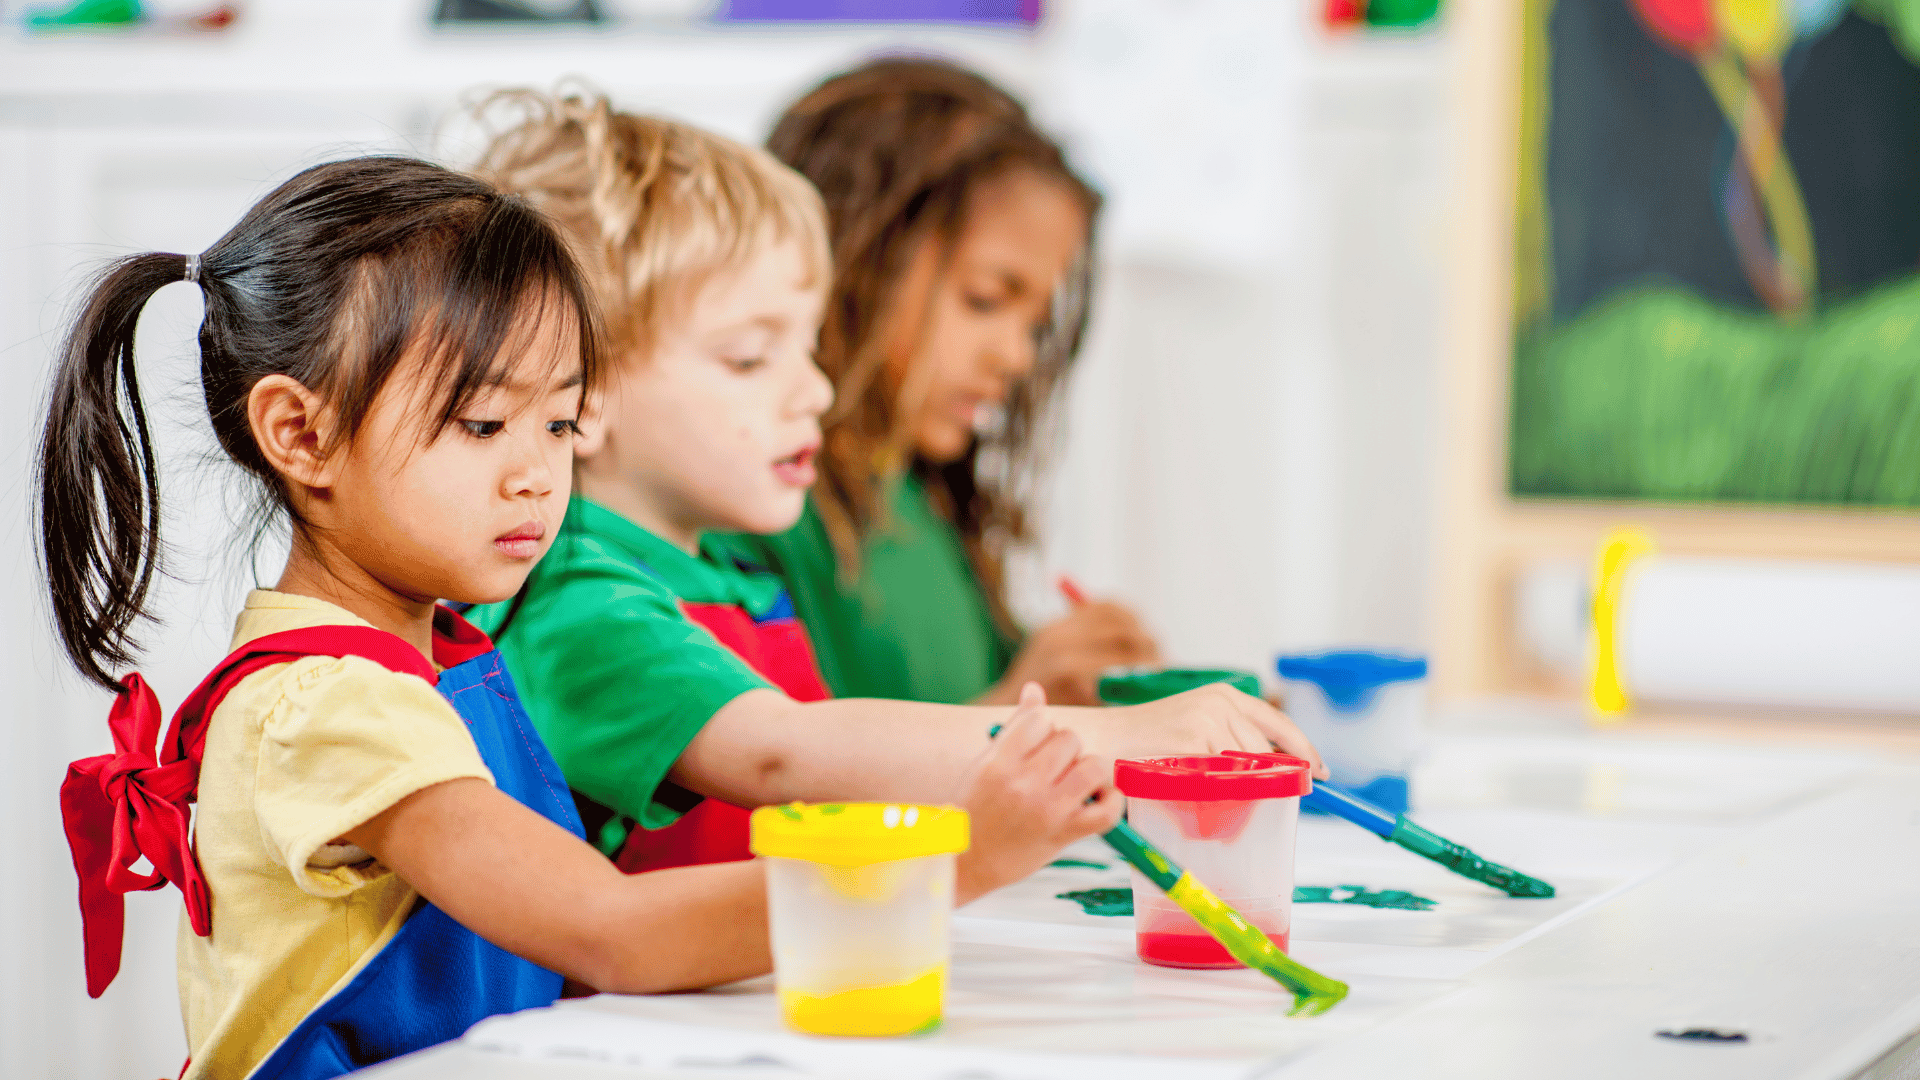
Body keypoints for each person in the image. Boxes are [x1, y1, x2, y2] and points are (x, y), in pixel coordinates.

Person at [44, 156, 1125, 1080]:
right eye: (481, 424)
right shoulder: (327, 710)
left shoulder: (439, 654)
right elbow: (615, 930)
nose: (536, 476)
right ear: (301, 434)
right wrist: (964, 857)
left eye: (560, 422)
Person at [467, 93, 1322, 874]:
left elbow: (829, 801)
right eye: (750, 357)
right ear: (586, 391)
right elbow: (786, 751)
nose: (818, 390)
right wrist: (1118, 737)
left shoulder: (728, 581)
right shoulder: (576, 595)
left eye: (806, 347)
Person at [738, 58, 1155, 708]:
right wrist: (1016, 705)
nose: (1017, 357)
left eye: (1036, 324)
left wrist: (1078, 683)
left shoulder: (919, 498)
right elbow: (783, 788)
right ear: (851, 260)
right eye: (985, 299)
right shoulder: (759, 506)